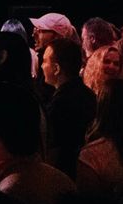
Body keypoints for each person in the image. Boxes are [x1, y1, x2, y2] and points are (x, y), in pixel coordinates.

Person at [40, 37, 93, 178]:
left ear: (56, 69)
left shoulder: (59, 105)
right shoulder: (89, 95)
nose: (41, 66)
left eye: (45, 61)